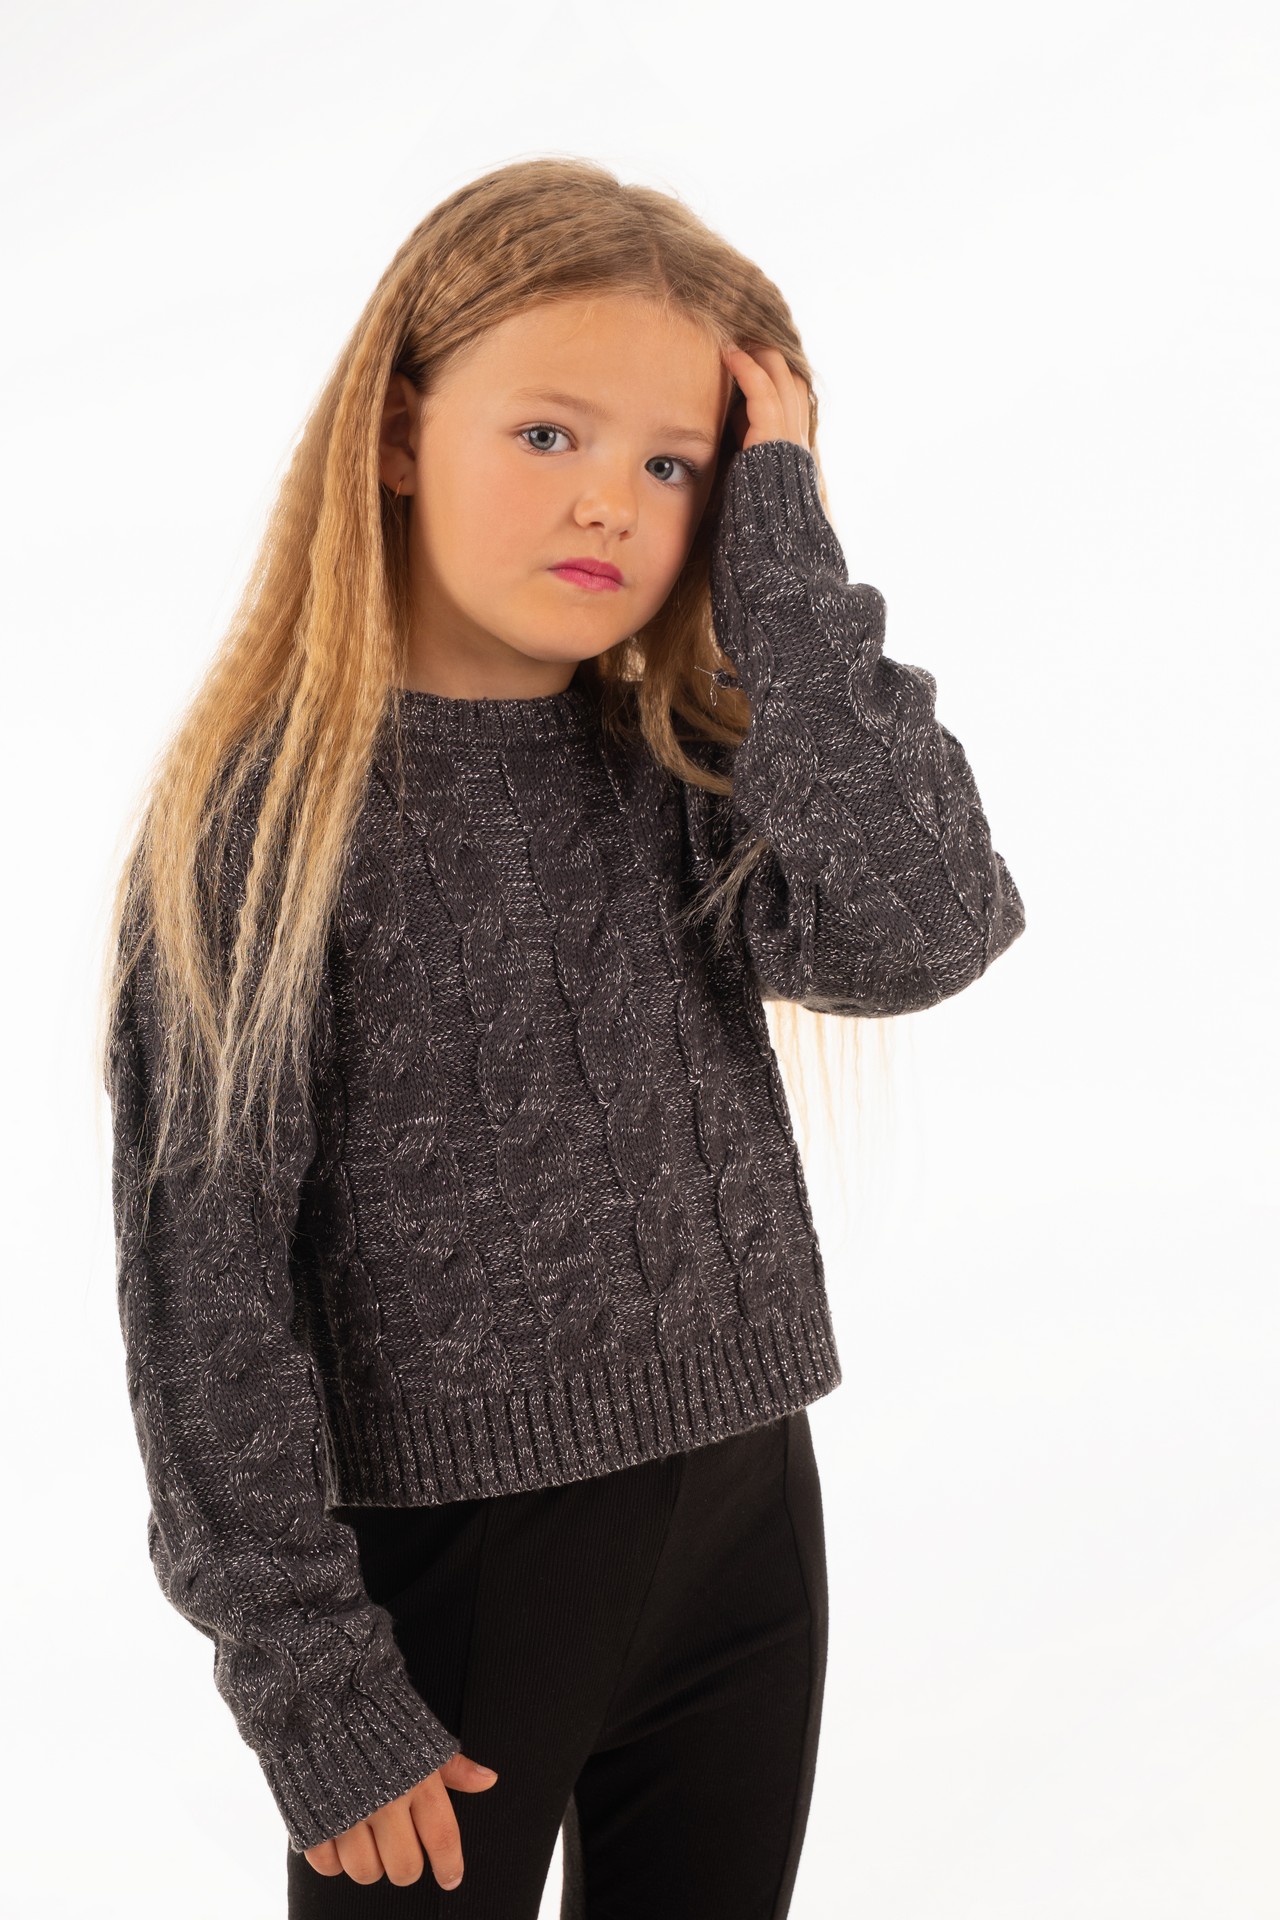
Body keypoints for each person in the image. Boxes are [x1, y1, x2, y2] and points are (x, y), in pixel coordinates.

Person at [100, 155, 1026, 1918]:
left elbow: (931, 924)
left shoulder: (677, 775)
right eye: (547, 434)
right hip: (455, 1570)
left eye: (675, 465)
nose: (610, 499)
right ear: (398, 432)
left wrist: (785, 568)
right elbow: (202, 1301)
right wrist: (310, 1682)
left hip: (747, 1518)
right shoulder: (265, 828)